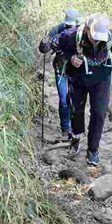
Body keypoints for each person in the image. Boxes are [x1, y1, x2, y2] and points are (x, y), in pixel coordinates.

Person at [50, 13, 112, 166]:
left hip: (101, 79)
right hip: (77, 77)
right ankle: (75, 137)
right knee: (76, 109)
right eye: (94, 36)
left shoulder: (110, 37)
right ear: (87, 29)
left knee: (99, 112)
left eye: (99, 38)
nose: (96, 40)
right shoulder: (71, 35)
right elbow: (56, 44)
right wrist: (70, 57)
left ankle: (93, 150)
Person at [38, 8, 83, 140]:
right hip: (61, 68)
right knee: (64, 99)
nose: (69, 28)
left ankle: (75, 129)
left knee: (76, 100)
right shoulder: (57, 30)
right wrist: (44, 44)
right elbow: (44, 48)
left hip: (77, 72)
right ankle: (65, 129)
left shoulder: (83, 32)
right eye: (68, 25)